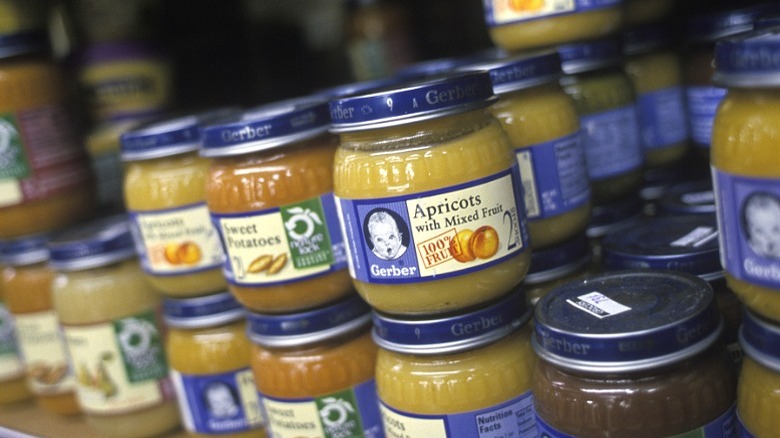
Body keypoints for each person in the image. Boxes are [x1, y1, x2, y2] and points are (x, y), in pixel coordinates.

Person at [743, 193, 780, 260]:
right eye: (760, 231)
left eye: (775, 229)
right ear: (750, 231)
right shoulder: (752, 249)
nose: (768, 237)